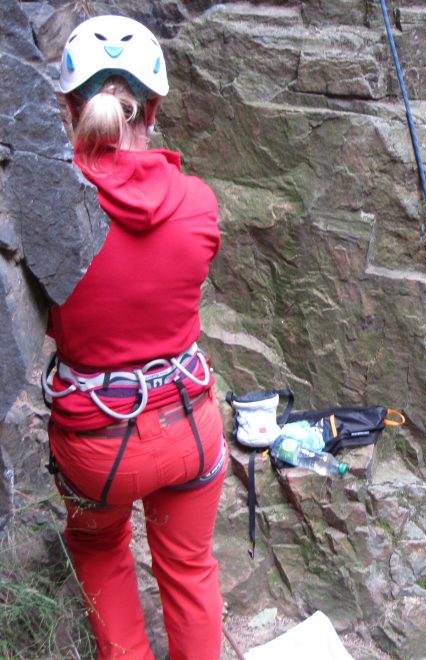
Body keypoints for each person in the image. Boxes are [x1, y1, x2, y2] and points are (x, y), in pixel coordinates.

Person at [42, 14, 226, 659]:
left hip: (97, 442)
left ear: (68, 106)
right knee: (190, 568)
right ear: (153, 107)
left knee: (99, 549)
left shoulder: (50, 209)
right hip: (188, 425)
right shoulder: (199, 201)